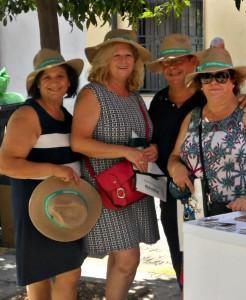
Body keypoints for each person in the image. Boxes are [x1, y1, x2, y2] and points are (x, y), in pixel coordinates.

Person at [147, 33, 246, 288]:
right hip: (178, 198)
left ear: (192, 63)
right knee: (187, 266)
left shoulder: (213, 97)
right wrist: (161, 156)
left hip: (230, 205)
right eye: (167, 62)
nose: (172, 67)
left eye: (179, 60)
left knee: (234, 277)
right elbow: (157, 141)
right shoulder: (158, 101)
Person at [71, 29, 159, 300]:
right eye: (116, 55)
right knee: (128, 255)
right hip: (105, 189)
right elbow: (78, 142)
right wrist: (125, 152)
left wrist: (151, 149)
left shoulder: (133, 96)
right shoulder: (93, 93)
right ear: (104, 60)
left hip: (134, 186)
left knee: (125, 256)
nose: (123, 60)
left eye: (129, 55)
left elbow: (141, 138)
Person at [0, 48, 85, 299]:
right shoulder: (27, 115)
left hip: (66, 206)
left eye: (59, 76)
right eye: (46, 77)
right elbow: (5, 164)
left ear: (69, 81)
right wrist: (53, 170)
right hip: (35, 208)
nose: (54, 82)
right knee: (40, 278)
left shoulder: (66, 116)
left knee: (70, 272)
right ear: (37, 84)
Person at [168, 47, 246, 218]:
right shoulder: (193, 117)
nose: (213, 82)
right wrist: (175, 168)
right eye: (207, 77)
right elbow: (174, 156)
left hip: (241, 213)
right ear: (201, 84)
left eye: (221, 76)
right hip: (197, 212)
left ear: (232, 81)